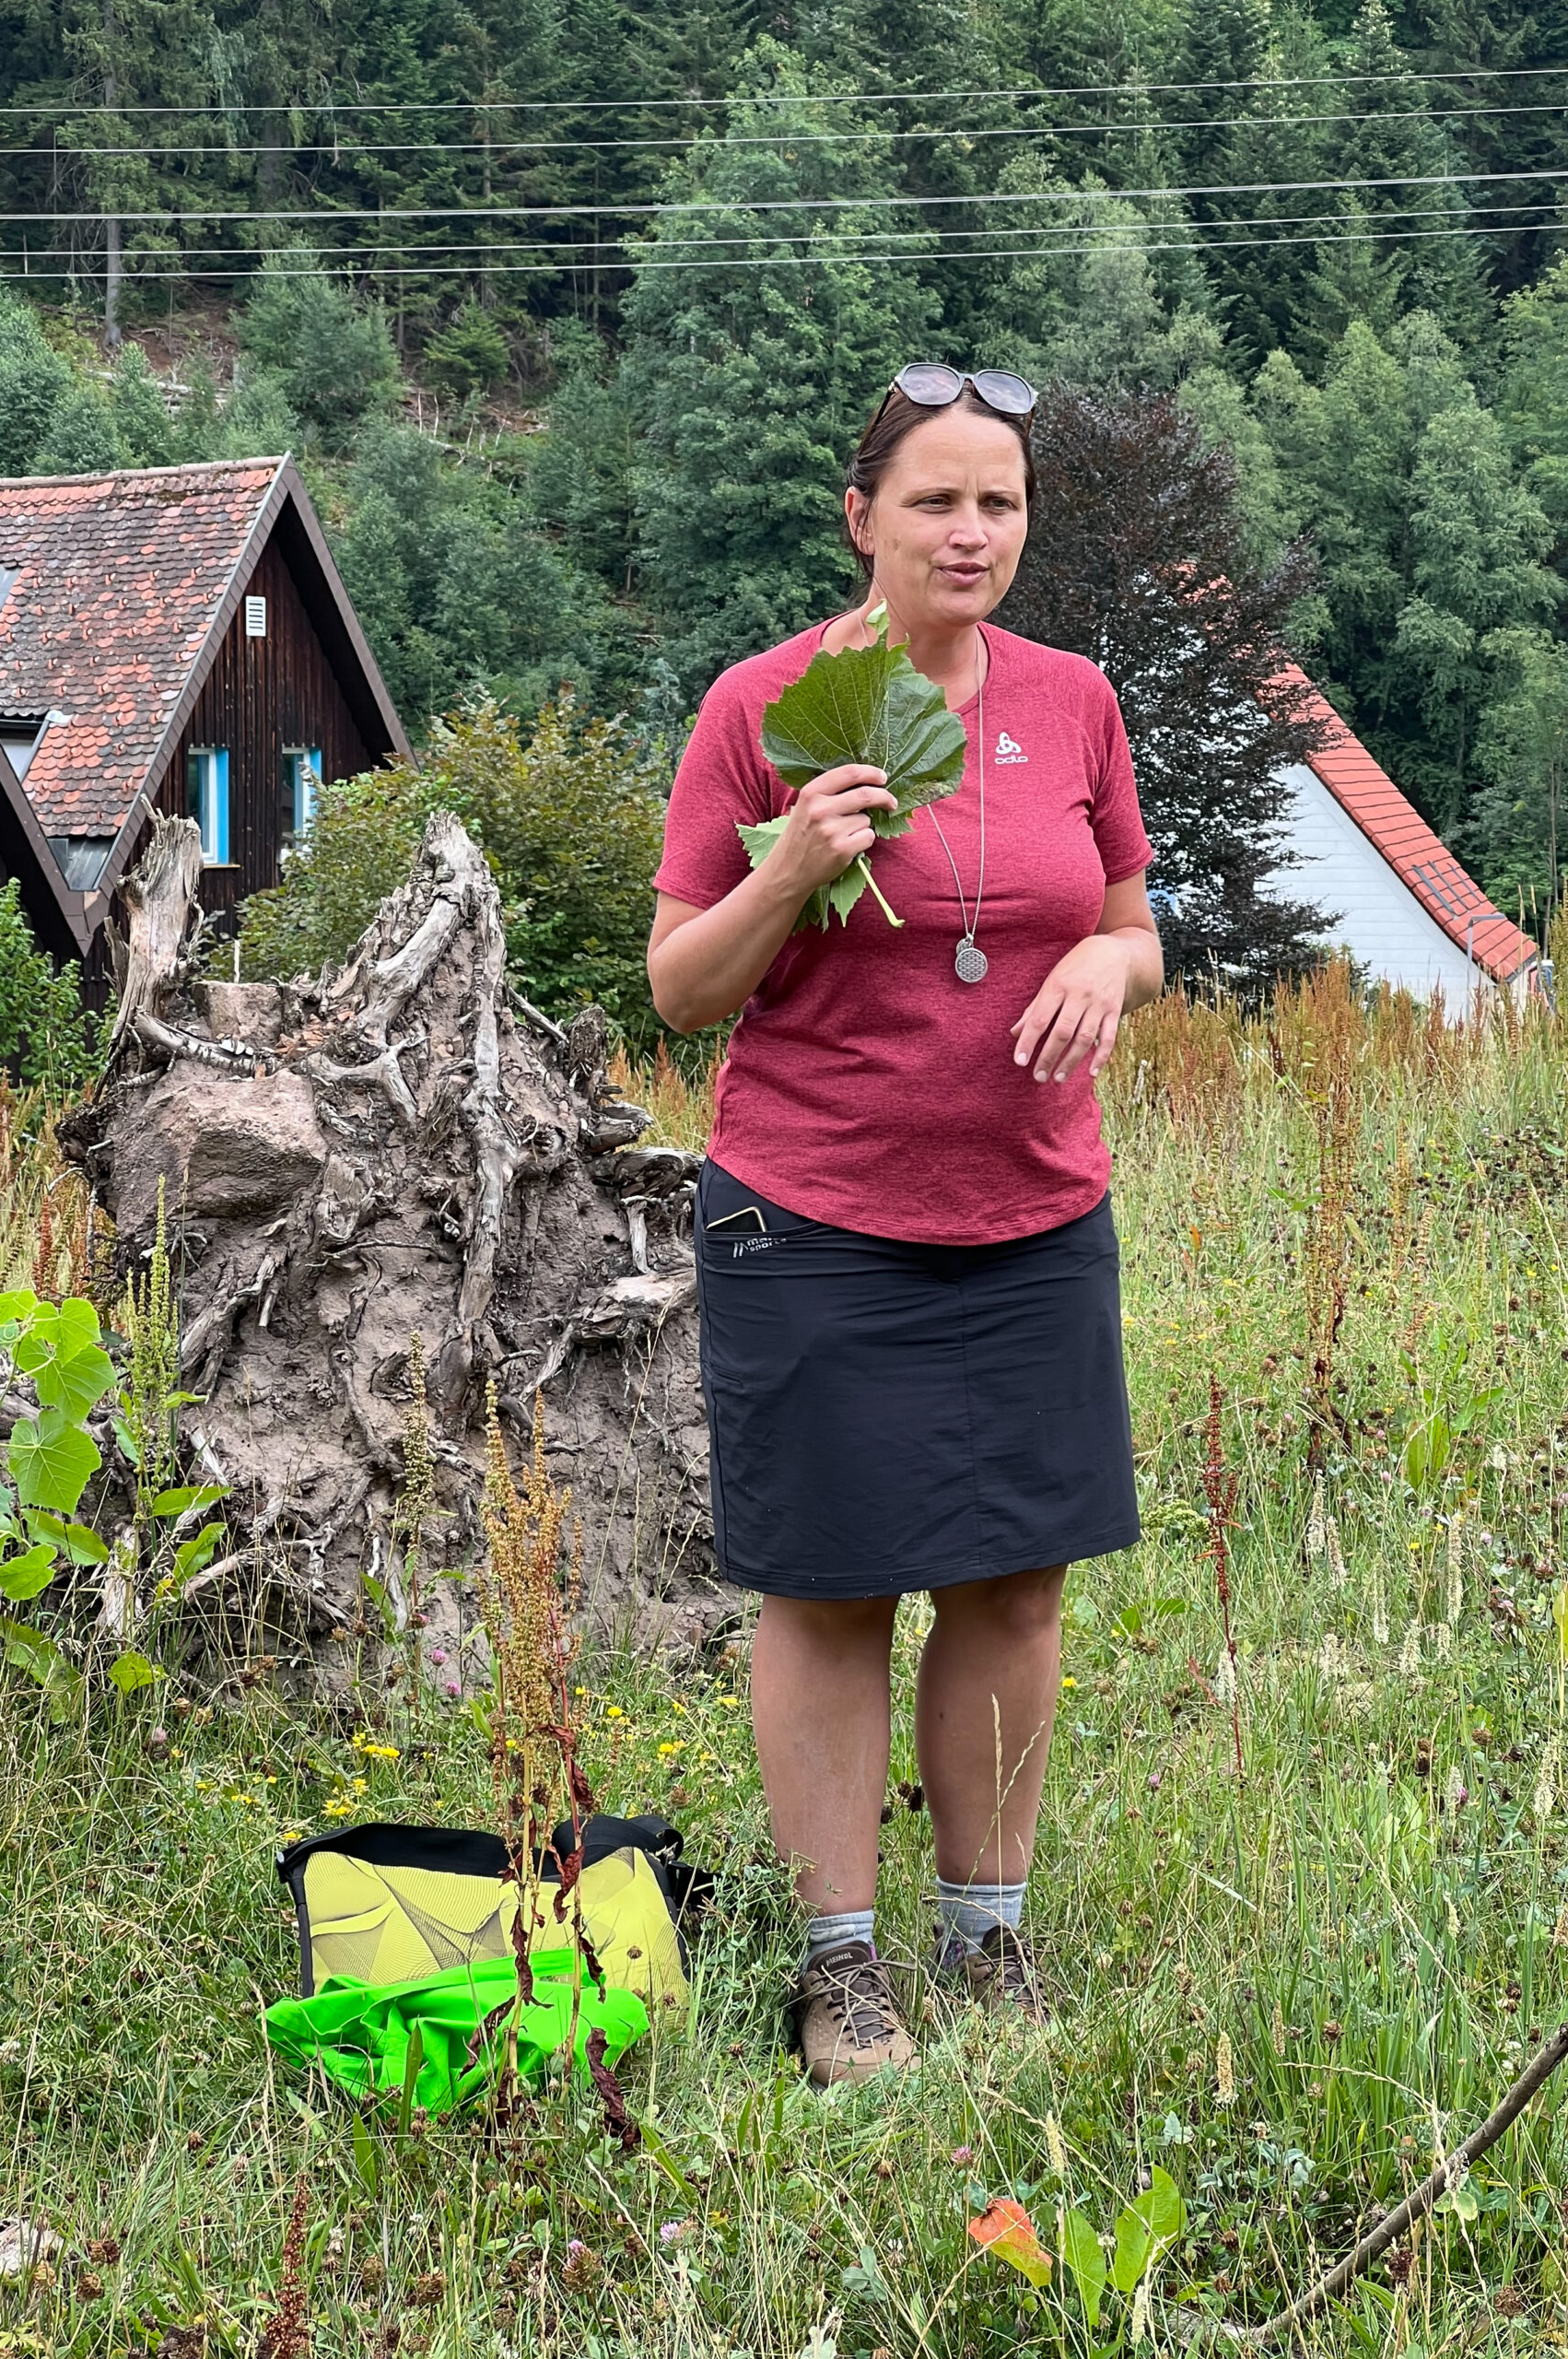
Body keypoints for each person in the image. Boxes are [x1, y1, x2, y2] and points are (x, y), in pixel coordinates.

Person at [647, 364, 1163, 2086]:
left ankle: (984, 1936)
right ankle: (840, 1972)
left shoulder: (1076, 704)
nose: (970, 530)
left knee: (1016, 1584)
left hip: (1032, 1214)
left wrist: (1108, 955)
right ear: (862, 516)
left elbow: (1130, 927)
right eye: (935, 498)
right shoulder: (767, 705)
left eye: (999, 502)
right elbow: (679, 992)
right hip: (818, 1214)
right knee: (834, 1587)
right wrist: (785, 868)